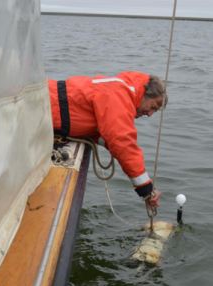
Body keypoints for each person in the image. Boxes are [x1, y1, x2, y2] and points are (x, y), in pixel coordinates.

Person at [49, 71, 167, 208]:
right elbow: (122, 143)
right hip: (38, 105)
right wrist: (146, 189)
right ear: (146, 94)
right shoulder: (120, 93)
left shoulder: (119, 91)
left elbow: (109, 137)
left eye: (154, 111)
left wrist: (109, 144)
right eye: (152, 107)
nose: (150, 114)